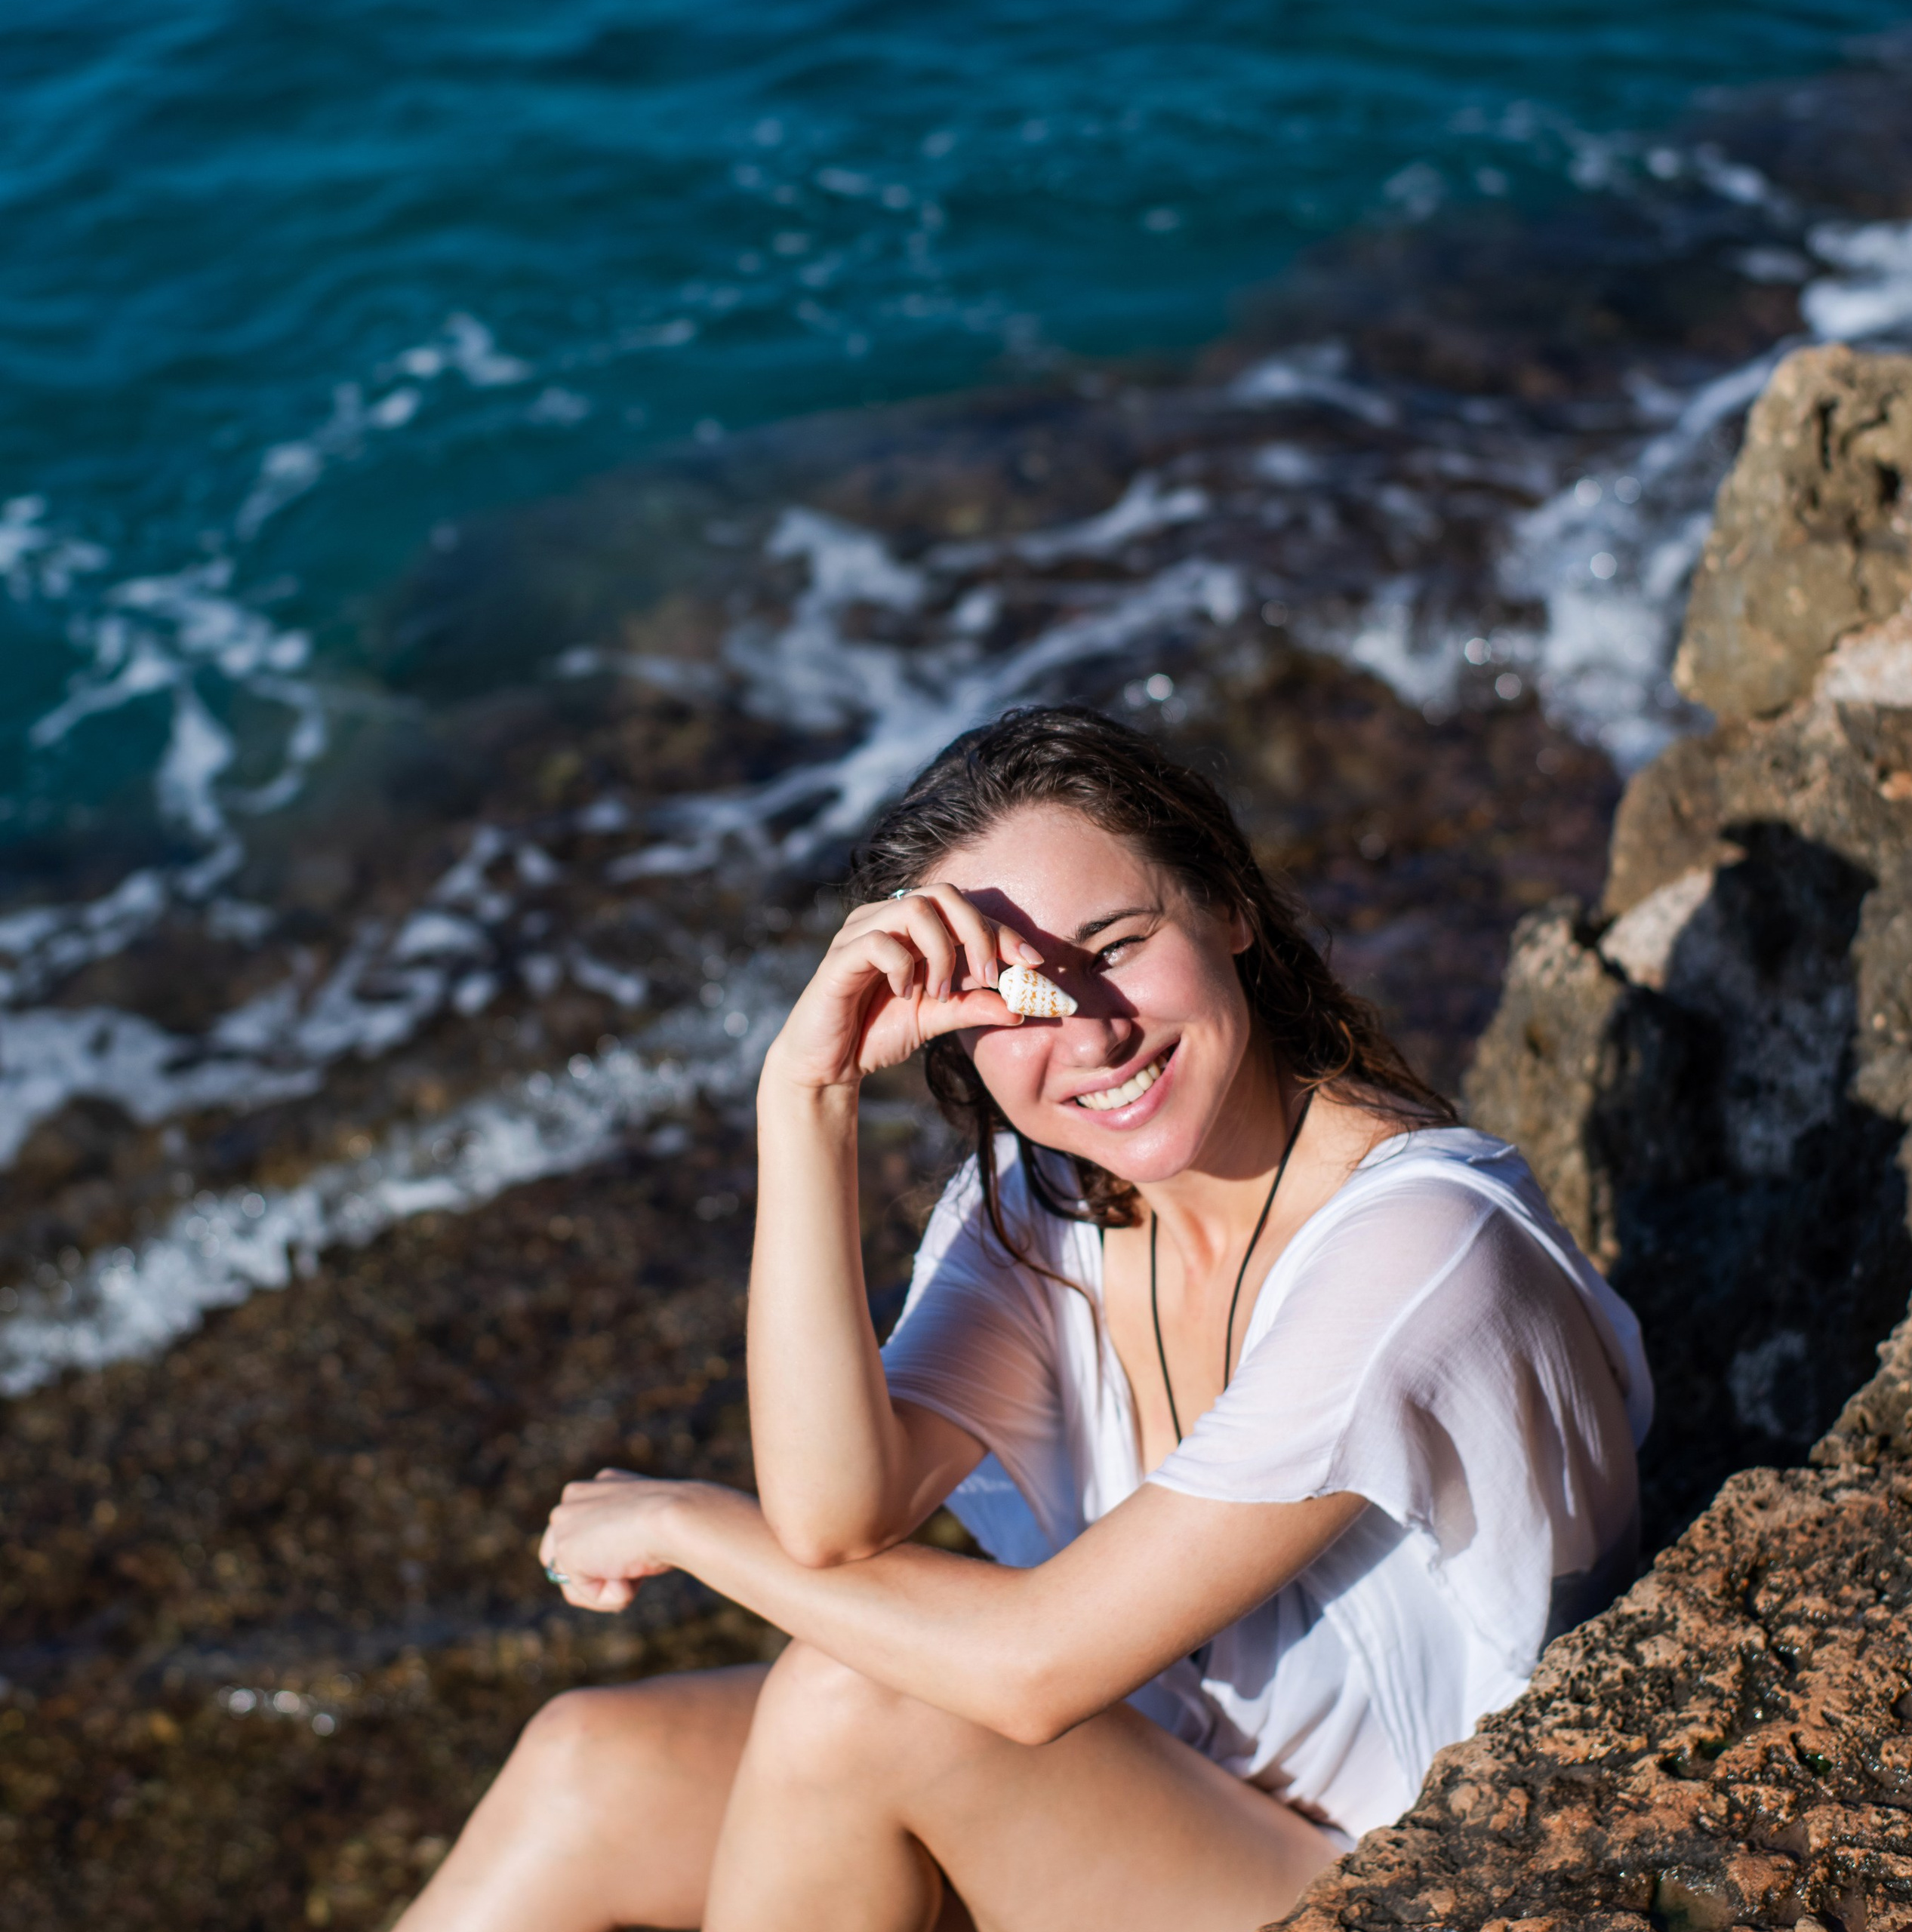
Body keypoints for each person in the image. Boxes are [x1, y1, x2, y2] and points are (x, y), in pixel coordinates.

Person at [397, 705, 1650, 1932]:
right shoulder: (1044, 1207)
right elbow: (837, 1516)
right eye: (1017, 999)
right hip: (1169, 1782)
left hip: (1401, 1873)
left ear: (1231, 910)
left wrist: (688, 1520)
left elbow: (1031, 1672)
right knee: (586, 1762)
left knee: (854, 1706)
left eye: (1114, 947)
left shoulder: (1417, 1249)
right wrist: (806, 1096)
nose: (1089, 1031)